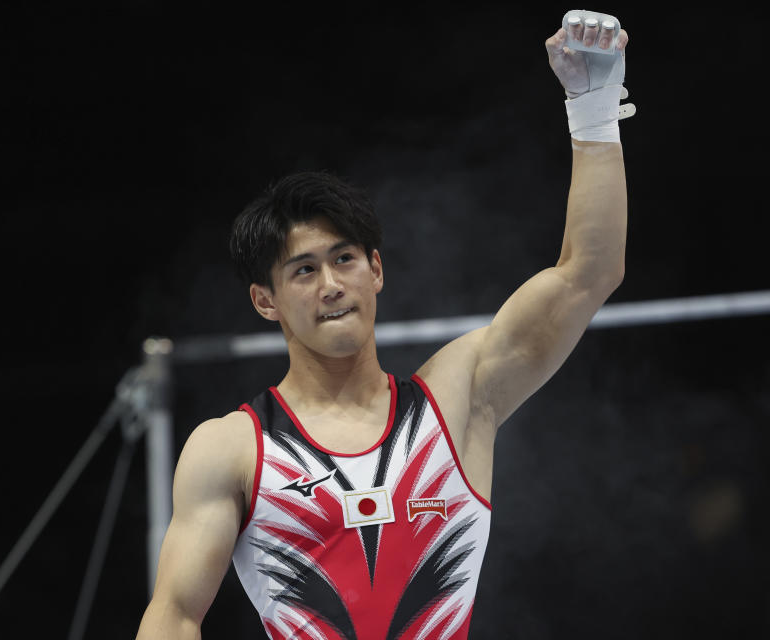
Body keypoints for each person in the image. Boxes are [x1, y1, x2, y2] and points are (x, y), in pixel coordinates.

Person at [137, 11, 631, 640]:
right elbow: (173, 618)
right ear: (266, 301)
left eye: (344, 259)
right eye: (304, 271)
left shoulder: (459, 399)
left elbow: (588, 274)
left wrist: (594, 108)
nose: (332, 285)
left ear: (376, 269)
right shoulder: (230, 449)